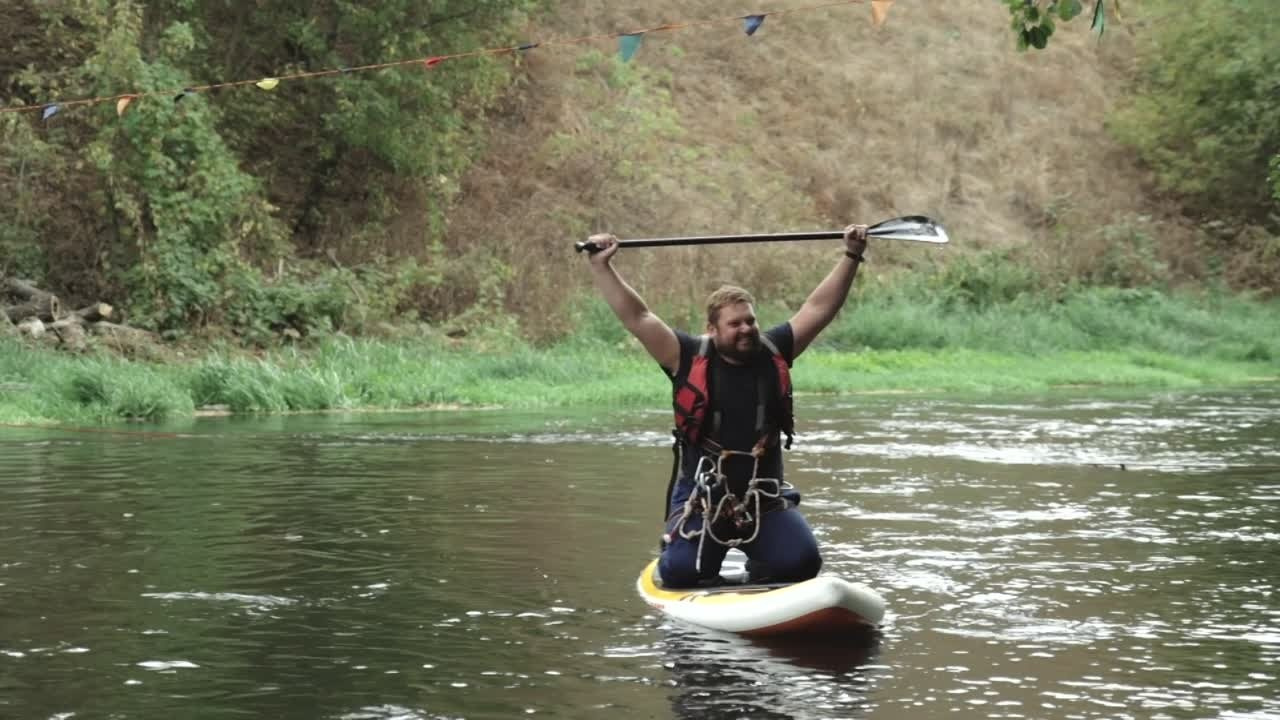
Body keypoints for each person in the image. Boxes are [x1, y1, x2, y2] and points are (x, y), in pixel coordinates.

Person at [585, 224, 869, 588]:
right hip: (703, 499)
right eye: (734, 324)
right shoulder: (685, 356)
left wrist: (852, 254)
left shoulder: (775, 349)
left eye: (750, 320)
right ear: (712, 329)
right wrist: (601, 266)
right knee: (680, 573)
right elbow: (638, 317)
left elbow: (819, 307)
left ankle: (763, 566)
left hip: (763, 498)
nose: (746, 329)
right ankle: (681, 549)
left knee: (803, 562)